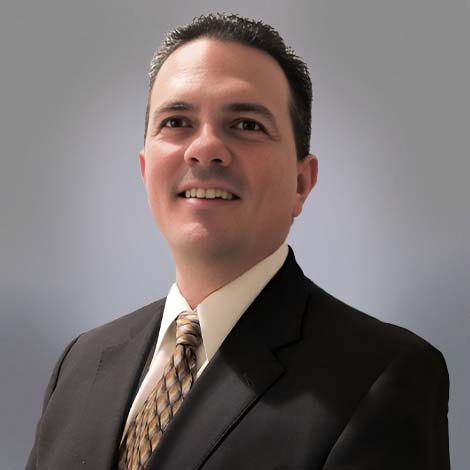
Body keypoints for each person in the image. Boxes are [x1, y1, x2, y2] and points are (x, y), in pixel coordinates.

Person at [26, 13, 450, 470]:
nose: (204, 148)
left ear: (301, 183)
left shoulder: (382, 376)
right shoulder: (81, 364)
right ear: (146, 170)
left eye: (246, 124)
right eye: (176, 121)